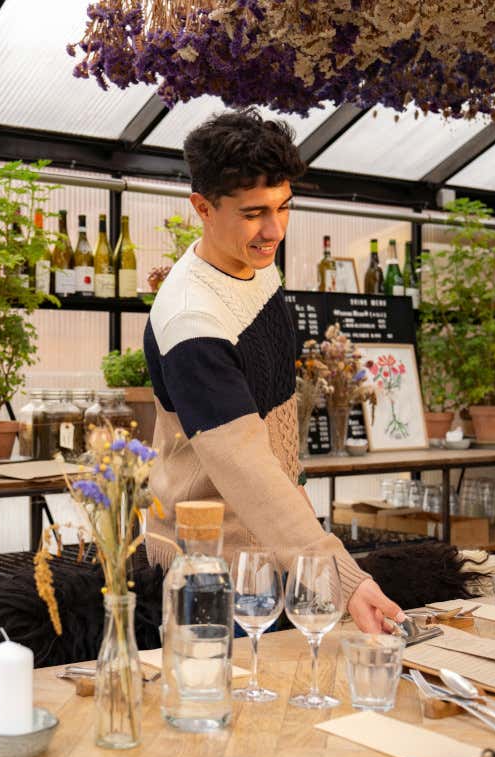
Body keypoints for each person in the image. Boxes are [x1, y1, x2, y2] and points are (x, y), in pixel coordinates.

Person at [143, 110, 406, 634]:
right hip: (211, 566)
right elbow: (246, 467)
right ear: (202, 207)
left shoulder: (252, 264)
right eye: (253, 213)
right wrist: (344, 580)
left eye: (285, 207)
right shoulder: (193, 320)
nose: (274, 230)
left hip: (273, 546)